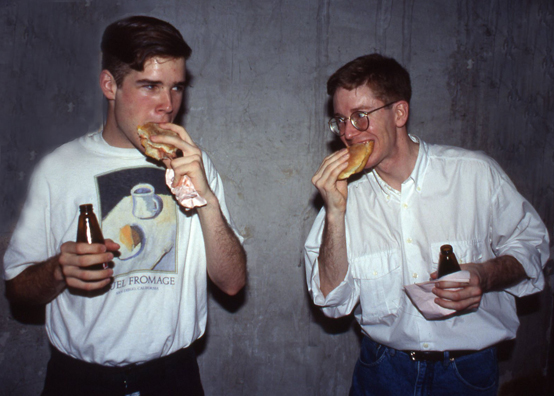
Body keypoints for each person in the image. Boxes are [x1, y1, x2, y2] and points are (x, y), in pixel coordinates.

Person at [3, 16, 246, 396]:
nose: (167, 105)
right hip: (79, 381)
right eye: (150, 86)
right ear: (109, 85)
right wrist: (57, 270)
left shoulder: (196, 163)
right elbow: (17, 289)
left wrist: (208, 201)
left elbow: (232, 283)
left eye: (177, 87)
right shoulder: (58, 168)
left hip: (173, 377)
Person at [304, 53, 549, 395]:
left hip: (467, 372)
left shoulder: (474, 174)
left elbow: (533, 244)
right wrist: (334, 212)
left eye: (360, 117)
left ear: (399, 113)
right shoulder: (345, 196)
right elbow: (330, 302)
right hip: (381, 371)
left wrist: (484, 275)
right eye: (340, 120)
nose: (347, 132)